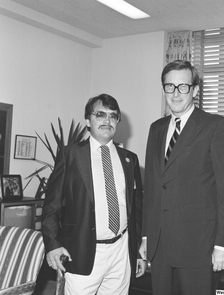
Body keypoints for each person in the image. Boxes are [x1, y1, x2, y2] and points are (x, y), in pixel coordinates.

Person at [139, 60, 224, 295]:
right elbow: (153, 190)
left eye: (183, 86)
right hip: (160, 246)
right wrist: (146, 236)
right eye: (169, 86)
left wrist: (223, 244)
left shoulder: (216, 126)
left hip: (199, 247)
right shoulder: (156, 128)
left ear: (195, 90)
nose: (175, 94)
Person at [42, 94, 147, 295]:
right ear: (87, 121)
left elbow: (136, 210)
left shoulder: (129, 160)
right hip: (81, 251)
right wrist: (53, 245)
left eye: (113, 116)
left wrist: (137, 253)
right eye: (100, 114)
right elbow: (51, 205)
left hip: (121, 252)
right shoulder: (70, 154)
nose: (107, 121)